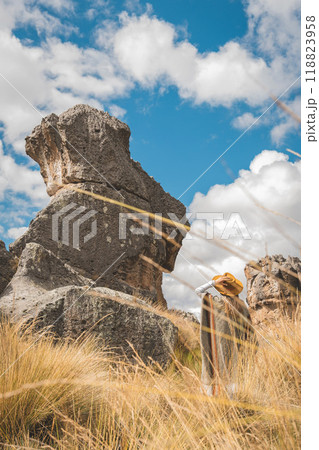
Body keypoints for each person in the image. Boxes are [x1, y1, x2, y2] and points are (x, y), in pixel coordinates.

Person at [195, 274, 256, 396]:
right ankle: (233, 406)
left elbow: (198, 291)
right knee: (233, 374)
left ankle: (213, 404)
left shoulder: (215, 302)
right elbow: (249, 331)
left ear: (222, 289)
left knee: (212, 367)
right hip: (236, 351)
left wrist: (214, 282)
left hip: (216, 347)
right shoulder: (242, 306)